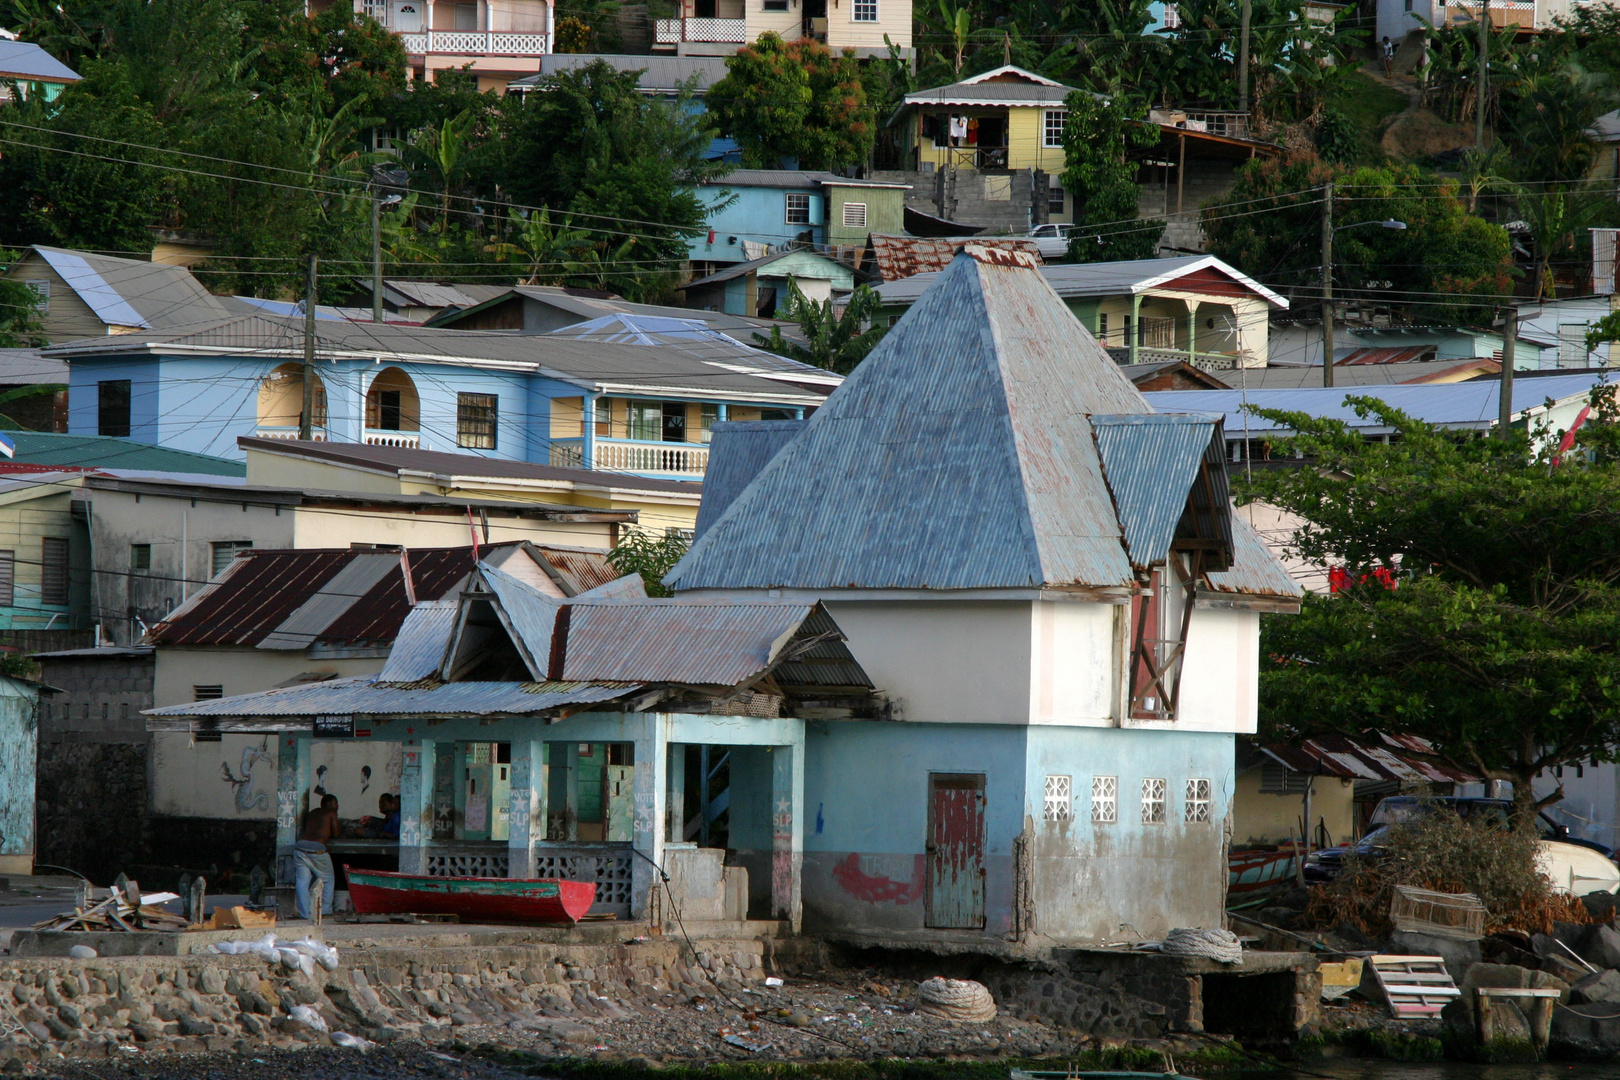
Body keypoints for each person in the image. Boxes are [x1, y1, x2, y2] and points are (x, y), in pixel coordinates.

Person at [294, 794, 340, 920]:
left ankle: (305, 913)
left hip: (300, 848)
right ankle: (325, 910)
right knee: (327, 879)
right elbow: (336, 833)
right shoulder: (331, 813)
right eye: (336, 803)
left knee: (302, 882)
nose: (337, 806)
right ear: (330, 804)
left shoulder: (313, 812)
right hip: (317, 850)